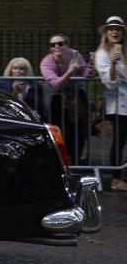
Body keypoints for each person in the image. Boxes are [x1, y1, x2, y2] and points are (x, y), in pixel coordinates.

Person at [40, 33, 93, 165]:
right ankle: (61, 162)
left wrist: (91, 70)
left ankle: (76, 163)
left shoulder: (74, 55)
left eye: (60, 43)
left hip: (74, 98)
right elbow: (56, 84)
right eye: (53, 45)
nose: (57, 46)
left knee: (78, 133)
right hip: (55, 100)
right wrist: (69, 72)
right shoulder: (46, 62)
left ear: (67, 45)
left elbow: (85, 72)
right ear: (50, 48)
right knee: (61, 132)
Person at [95, 16, 127, 190]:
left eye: (118, 29)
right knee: (119, 139)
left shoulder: (124, 52)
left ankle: (121, 172)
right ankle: (116, 179)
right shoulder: (102, 54)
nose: (115, 31)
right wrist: (114, 64)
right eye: (111, 29)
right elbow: (109, 82)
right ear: (106, 33)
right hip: (117, 104)